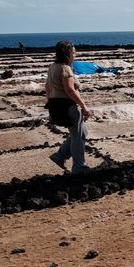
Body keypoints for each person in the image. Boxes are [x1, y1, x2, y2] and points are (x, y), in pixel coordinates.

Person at [45, 40, 91, 174]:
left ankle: (59, 156)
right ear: (68, 54)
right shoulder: (65, 69)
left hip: (57, 105)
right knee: (78, 136)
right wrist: (84, 106)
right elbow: (70, 90)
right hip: (69, 106)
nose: (75, 55)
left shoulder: (53, 66)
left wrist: (50, 104)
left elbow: (47, 87)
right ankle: (79, 167)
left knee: (82, 132)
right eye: (74, 52)